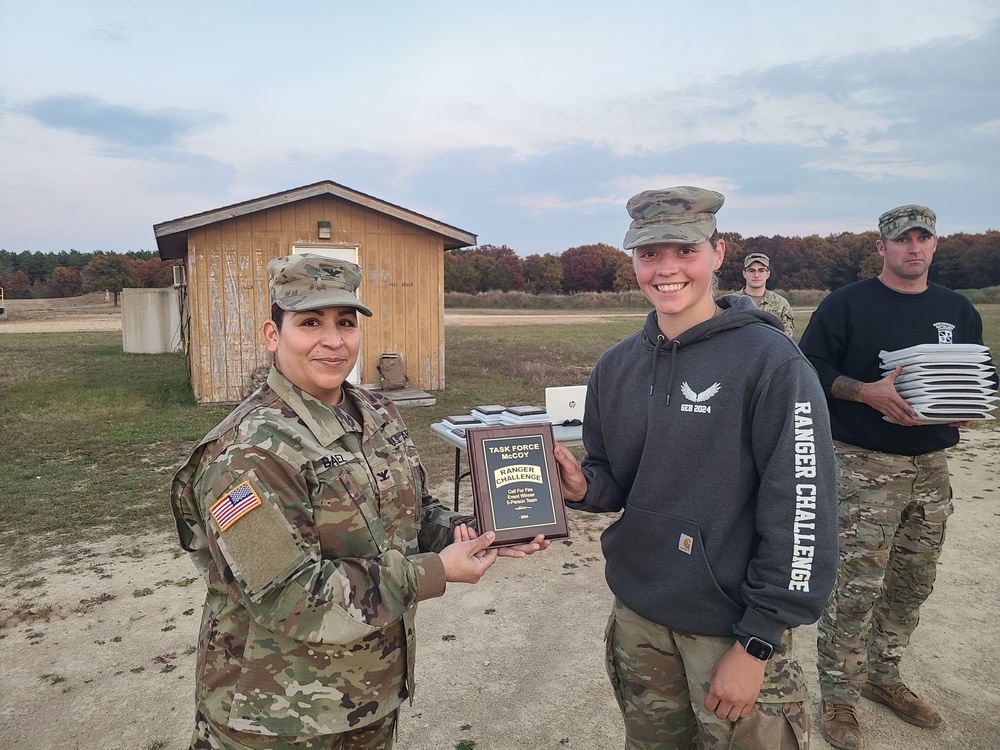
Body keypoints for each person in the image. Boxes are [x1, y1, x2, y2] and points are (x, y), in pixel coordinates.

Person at [170, 253, 548, 750]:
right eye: (310, 323)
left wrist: (464, 530)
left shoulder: (373, 411)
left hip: (364, 696)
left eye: (345, 323)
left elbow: (409, 512)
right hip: (280, 717)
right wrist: (436, 570)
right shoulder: (248, 452)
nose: (334, 340)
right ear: (272, 334)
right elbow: (291, 597)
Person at [552, 186, 838, 749]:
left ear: (719, 253)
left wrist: (758, 642)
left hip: (730, 630)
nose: (666, 270)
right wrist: (585, 485)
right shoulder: (615, 367)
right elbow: (614, 475)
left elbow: (804, 510)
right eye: (649, 254)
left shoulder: (772, 362)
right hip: (639, 614)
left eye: (685, 252)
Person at [799, 204, 997, 750]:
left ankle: (884, 677)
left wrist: (967, 404)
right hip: (865, 465)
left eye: (923, 239)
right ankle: (839, 694)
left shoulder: (958, 309)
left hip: (932, 467)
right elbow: (807, 366)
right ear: (881, 247)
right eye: (902, 239)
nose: (914, 247)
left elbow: (977, 369)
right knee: (857, 585)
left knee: (912, 581)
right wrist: (864, 390)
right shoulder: (848, 304)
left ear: (935, 246)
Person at [735, 252, 795, 337]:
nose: (756, 275)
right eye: (751, 270)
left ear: (768, 273)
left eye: (761, 270)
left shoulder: (781, 304)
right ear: (744, 273)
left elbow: (786, 339)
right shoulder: (732, 302)